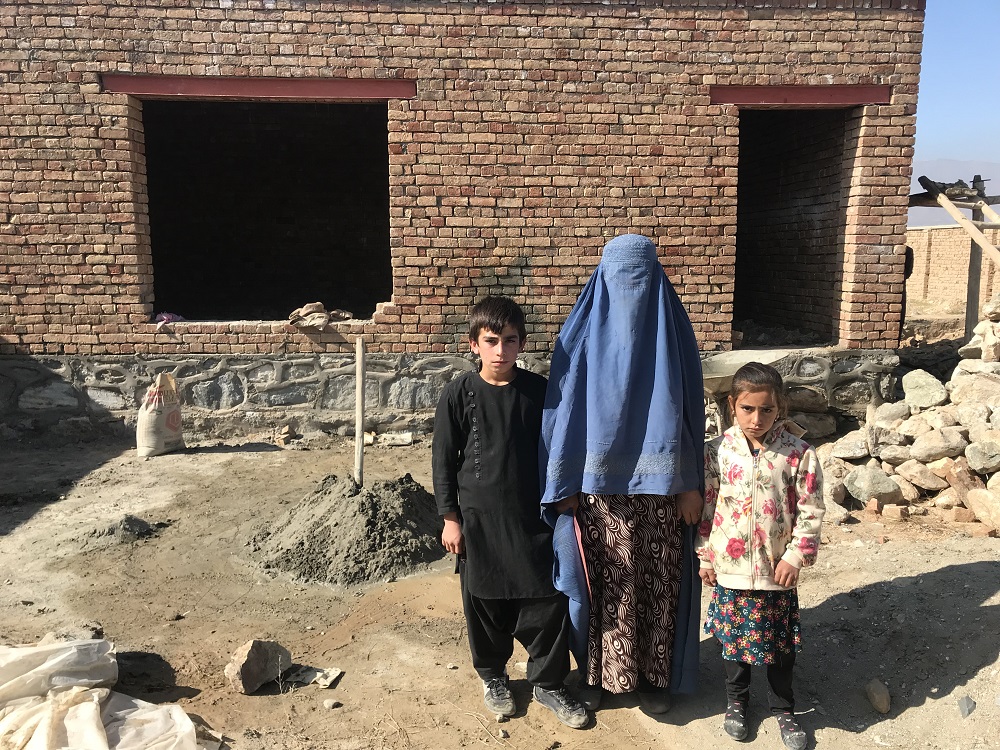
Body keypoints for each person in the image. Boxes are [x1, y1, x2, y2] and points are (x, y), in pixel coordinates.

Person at [540, 233, 705, 713]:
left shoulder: (672, 332)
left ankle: (655, 680)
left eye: (641, 275)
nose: (631, 289)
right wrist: (564, 484)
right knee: (603, 587)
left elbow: (691, 414)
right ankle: (595, 675)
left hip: (663, 492)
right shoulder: (580, 334)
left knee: (658, 584)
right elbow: (564, 412)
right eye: (620, 277)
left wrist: (691, 485)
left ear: (656, 277)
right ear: (603, 279)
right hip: (595, 494)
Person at [432, 295, 589, 729]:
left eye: (510, 340)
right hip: (479, 521)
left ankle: (549, 682)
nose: (501, 350)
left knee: (547, 599)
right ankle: (493, 676)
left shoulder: (539, 392)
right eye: (491, 340)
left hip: (533, 518)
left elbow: (561, 446)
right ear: (474, 344)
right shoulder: (458, 393)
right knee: (484, 599)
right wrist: (450, 517)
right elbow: (443, 459)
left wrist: (565, 494)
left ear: (522, 343)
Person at [697, 362, 825, 750]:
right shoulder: (717, 452)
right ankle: (737, 702)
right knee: (735, 644)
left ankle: (784, 709)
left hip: (776, 570)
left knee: (779, 647)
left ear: (779, 407)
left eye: (766, 410)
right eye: (747, 409)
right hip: (731, 570)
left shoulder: (798, 453)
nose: (757, 419)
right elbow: (708, 508)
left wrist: (797, 555)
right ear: (732, 405)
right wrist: (705, 557)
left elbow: (812, 508)